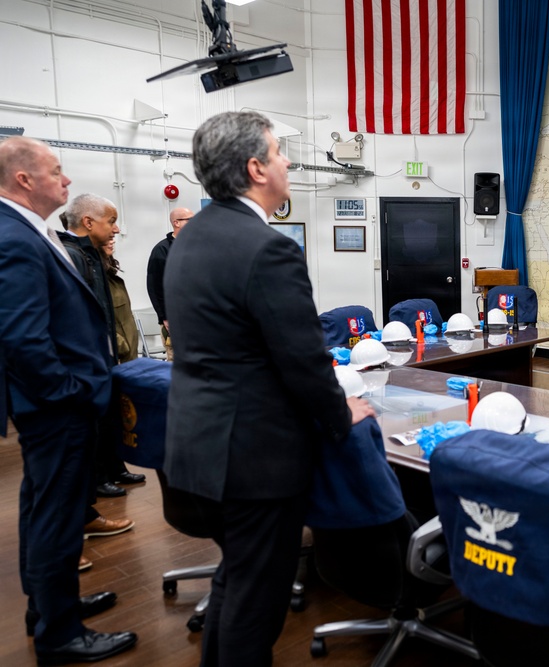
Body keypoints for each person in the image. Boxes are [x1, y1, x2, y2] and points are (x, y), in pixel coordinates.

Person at [163, 111, 376, 667]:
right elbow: (303, 361)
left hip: (196, 446)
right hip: (253, 462)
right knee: (256, 606)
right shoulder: (269, 247)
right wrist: (340, 413)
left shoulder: (191, 237)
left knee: (235, 586)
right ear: (257, 168)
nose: (288, 162)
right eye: (280, 153)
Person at [0, 136, 137, 663]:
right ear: (24, 180)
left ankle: (51, 607)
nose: (67, 180)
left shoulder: (31, 230)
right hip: (56, 407)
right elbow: (21, 338)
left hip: (54, 404)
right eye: (57, 170)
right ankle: (60, 632)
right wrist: (71, 393)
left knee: (43, 507)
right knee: (56, 514)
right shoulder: (13, 236)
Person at [60, 195, 145, 500]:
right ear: (88, 222)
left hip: (106, 355)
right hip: (90, 359)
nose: (116, 229)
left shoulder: (92, 255)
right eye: (111, 221)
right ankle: (99, 477)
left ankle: (114, 468)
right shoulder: (73, 255)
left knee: (110, 417)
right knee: (95, 422)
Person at [146, 207, 192, 361]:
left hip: (197, 316)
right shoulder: (162, 250)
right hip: (175, 317)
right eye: (189, 220)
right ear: (176, 223)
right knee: (178, 364)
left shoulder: (196, 246)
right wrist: (165, 317)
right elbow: (155, 286)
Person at [103, 238, 140, 362]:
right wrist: (120, 345)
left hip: (129, 355)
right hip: (118, 355)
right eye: (107, 238)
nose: (112, 241)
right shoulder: (97, 279)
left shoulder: (112, 278)